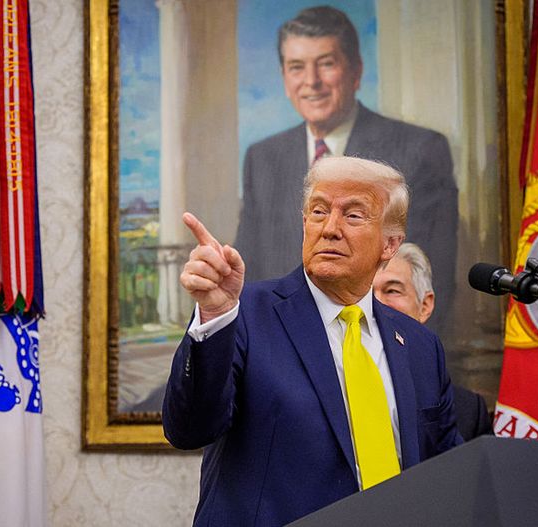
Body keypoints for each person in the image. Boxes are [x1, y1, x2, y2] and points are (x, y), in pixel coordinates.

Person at [164, 157, 462, 525]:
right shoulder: (243, 314)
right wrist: (214, 315)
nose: (330, 228)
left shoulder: (420, 346)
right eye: (319, 211)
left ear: (390, 244)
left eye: (353, 215)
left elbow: (447, 470)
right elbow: (189, 429)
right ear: (305, 223)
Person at [235, 5, 458, 338]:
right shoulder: (262, 158)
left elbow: (431, 277)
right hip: (280, 348)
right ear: (284, 77)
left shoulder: (421, 149)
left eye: (326, 63)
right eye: (297, 67)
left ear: (355, 71)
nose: (312, 81)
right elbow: (250, 272)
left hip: (375, 345)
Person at [373, 242, 493, 440]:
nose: (375, 304)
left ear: (425, 306)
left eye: (392, 291)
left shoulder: (468, 412)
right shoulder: (337, 395)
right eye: (367, 294)